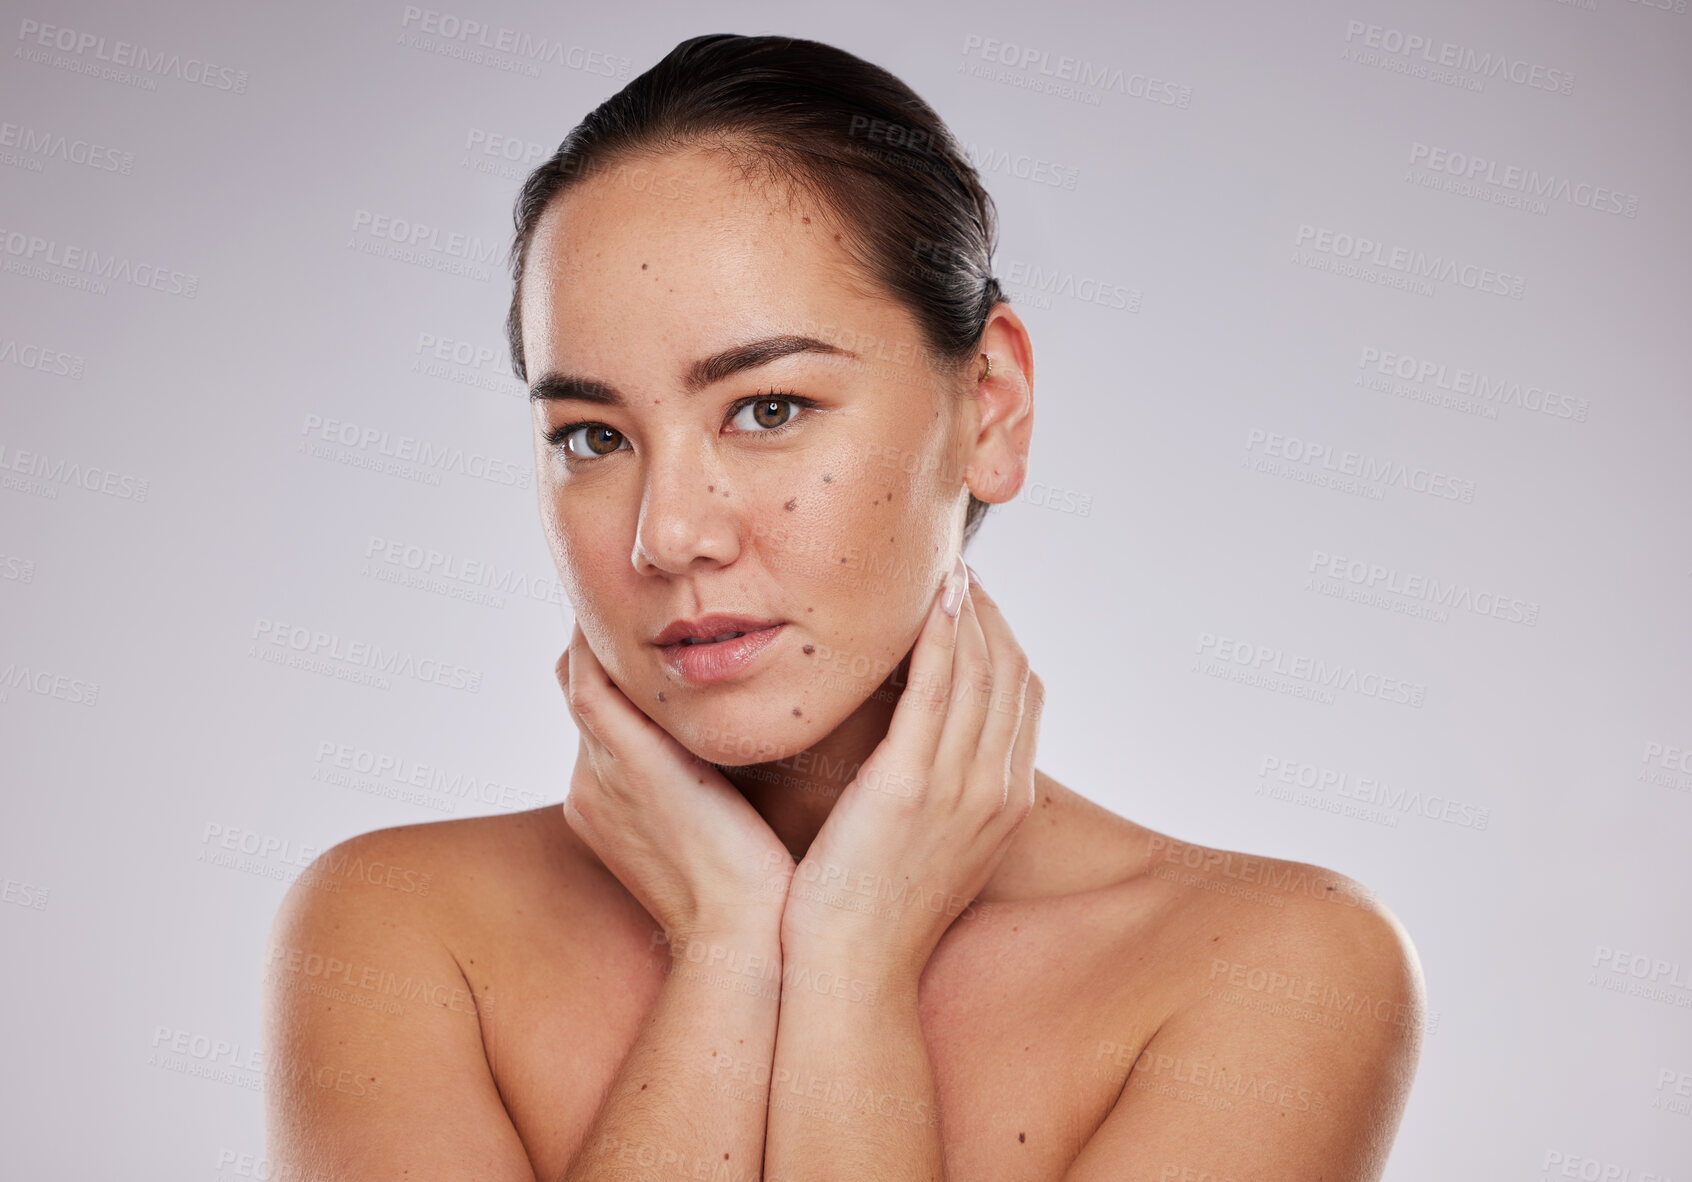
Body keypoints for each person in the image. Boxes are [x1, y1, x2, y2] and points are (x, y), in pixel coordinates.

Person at [263, 32, 1424, 1182]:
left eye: (766, 409)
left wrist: (853, 958)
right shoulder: (397, 933)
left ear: (992, 407)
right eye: (593, 436)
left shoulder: (1271, 966)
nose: (667, 534)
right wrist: (728, 944)